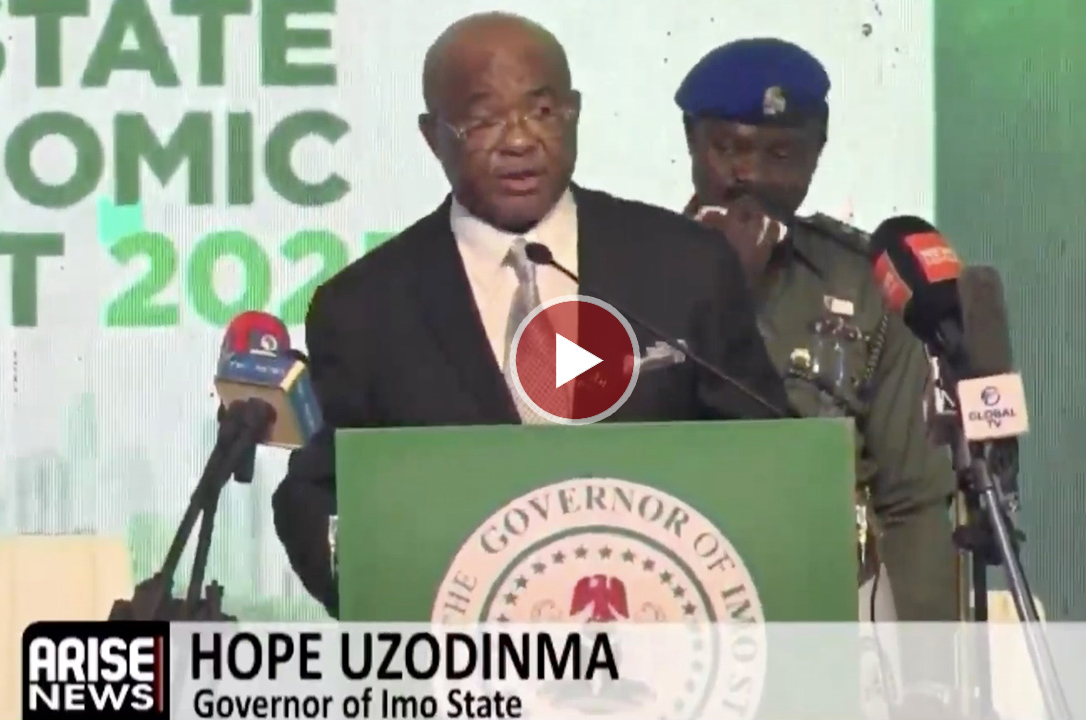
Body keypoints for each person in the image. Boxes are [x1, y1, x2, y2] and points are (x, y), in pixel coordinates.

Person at [273, 14, 788, 617]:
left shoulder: (685, 264)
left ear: (573, 114)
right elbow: (325, 493)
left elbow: (767, 452)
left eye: (541, 112)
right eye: (484, 119)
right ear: (432, 136)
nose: (518, 141)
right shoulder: (363, 308)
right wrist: (396, 605)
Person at [673, 38, 959, 624]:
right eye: (727, 148)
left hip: (826, 603)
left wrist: (929, 667)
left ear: (817, 151)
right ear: (691, 142)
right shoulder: (621, 268)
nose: (749, 174)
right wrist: (721, 287)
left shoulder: (869, 285)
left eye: (780, 154)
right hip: (671, 596)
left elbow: (913, 501)